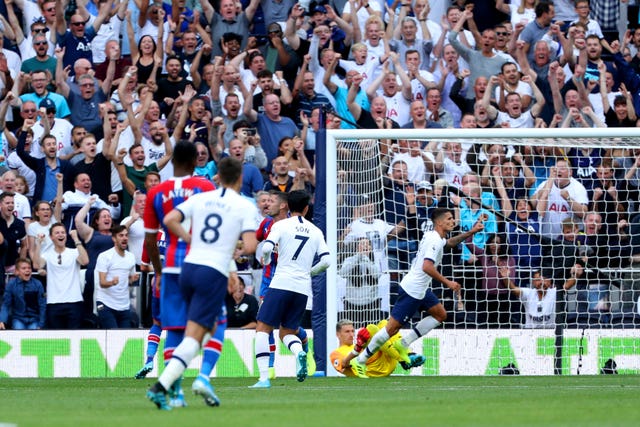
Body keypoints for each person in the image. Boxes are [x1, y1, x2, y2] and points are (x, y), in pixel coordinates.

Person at [146, 156, 258, 410]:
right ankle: (196, 379)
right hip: (212, 272)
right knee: (206, 330)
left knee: (198, 331)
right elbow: (250, 245)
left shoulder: (199, 198)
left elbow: (170, 219)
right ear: (240, 178)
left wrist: (189, 238)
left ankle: (165, 386)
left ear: (218, 176)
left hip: (188, 268)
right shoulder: (244, 206)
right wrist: (235, 250)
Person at [346, 208, 484, 377]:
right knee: (391, 329)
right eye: (449, 219)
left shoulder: (436, 237)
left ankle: (403, 344)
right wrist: (448, 282)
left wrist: (471, 232)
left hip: (421, 289)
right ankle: (360, 360)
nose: (452, 221)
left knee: (440, 315)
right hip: (412, 290)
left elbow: (449, 244)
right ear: (439, 222)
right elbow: (427, 267)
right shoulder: (434, 240)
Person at [138, 141, 217, 408]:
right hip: (201, 265)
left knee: (173, 328)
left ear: (171, 161)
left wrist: (158, 272)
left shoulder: (156, 192)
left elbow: (150, 241)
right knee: (211, 324)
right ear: (196, 160)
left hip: (171, 266)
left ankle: (175, 391)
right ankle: (203, 377)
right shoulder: (206, 187)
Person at [251, 190, 330, 388]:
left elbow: (267, 248)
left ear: (288, 205)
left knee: (262, 329)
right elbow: (327, 261)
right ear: (306, 208)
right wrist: (309, 273)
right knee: (287, 332)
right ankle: (299, 352)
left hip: (280, 283)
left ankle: (263, 379)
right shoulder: (315, 231)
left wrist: (267, 262)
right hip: (302, 289)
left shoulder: (280, 225)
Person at [32, 224, 89, 329]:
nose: (60, 235)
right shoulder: (47, 254)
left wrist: (76, 239)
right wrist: (38, 243)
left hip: (74, 301)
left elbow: (85, 261)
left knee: (74, 338)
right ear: (51, 237)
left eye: (63, 232)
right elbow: (36, 265)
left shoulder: (74, 252)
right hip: (54, 302)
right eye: (57, 233)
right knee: (58, 341)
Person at [330, 319, 425, 377]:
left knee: (384, 323)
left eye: (352, 331)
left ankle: (408, 355)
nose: (351, 335)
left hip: (386, 359)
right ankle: (403, 359)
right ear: (338, 334)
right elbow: (344, 364)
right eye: (347, 332)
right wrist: (358, 347)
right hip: (373, 370)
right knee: (371, 328)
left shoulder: (356, 344)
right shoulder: (335, 354)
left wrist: (360, 345)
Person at [95, 226, 139, 329]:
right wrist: (112, 282)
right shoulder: (104, 256)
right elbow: (102, 282)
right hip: (105, 303)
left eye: (126, 235)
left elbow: (128, 280)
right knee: (112, 338)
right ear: (114, 238)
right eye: (121, 235)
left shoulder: (131, 257)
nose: (125, 238)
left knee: (123, 339)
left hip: (124, 305)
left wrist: (132, 280)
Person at [505, 268, 579, 328]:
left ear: (550, 282)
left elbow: (567, 285)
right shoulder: (529, 293)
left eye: (545, 279)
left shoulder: (554, 293)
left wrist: (576, 275)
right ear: (533, 282)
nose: (541, 282)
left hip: (550, 333)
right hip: (530, 333)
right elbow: (513, 289)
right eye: (538, 280)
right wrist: (505, 277)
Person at [0, 258, 46, 330]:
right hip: (18, 319)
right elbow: (6, 304)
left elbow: (42, 305)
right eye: (24, 268)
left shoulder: (38, 284)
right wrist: (2, 320)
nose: (27, 270)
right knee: (18, 330)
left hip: (34, 319)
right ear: (17, 271)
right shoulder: (11, 284)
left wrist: (41, 324)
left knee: (33, 336)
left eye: (29, 268)